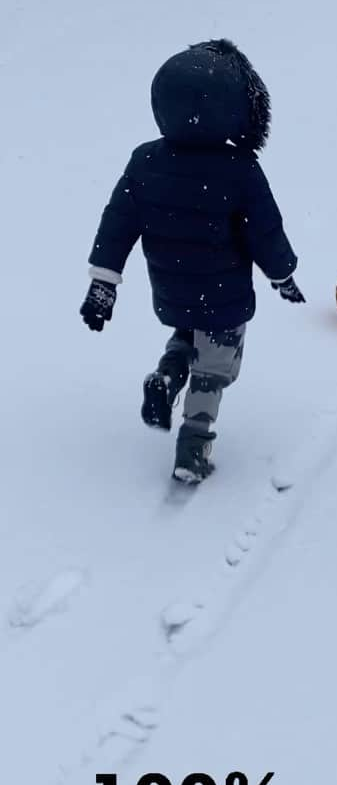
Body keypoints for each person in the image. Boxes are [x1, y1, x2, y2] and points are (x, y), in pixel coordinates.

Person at [80, 38, 304, 483]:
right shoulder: (240, 167)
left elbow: (117, 222)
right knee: (214, 369)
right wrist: (283, 274)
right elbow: (265, 230)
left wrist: (103, 282)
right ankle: (194, 445)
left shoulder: (145, 161)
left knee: (187, 332)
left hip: (173, 287)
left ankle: (166, 375)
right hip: (223, 293)